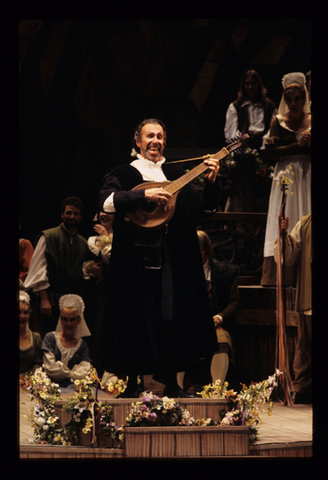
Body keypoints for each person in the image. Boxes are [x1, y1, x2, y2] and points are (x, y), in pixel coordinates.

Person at [98, 118, 220, 397]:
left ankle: (171, 382)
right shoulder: (125, 173)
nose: (156, 141)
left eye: (161, 136)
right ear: (138, 141)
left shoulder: (178, 174)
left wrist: (212, 181)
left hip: (171, 258)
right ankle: (131, 383)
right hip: (135, 260)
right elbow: (106, 201)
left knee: (170, 316)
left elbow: (205, 206)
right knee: (135, 315)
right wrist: (144, 196)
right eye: (149, 136)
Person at [261, 72, 311, 286]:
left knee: (306, 215)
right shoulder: (278, 122)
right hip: (287, 174)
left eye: (297, 99)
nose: (293, 103)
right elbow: (271, 153)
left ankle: (307, 268)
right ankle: (282, 273)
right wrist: (297, 145)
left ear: (304, 98)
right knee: (287, 215)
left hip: (308, 173)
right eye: (288, 99)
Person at [23, 197, 90, 337]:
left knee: (70, 343)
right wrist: (44, 299)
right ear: (62, 214)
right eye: (69, 212)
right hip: (51, 302)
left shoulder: (83, 243)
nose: (72, 216)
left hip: (72, 303)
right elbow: (38, 269)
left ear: (81, 217)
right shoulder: (49, 236)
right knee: (49, 341)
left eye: (76, 214)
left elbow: (80, 272)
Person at [223, 70, 277, 213]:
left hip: (262, 153)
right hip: (242, 154)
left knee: (261, 192)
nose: (250, 87)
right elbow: (230, 134)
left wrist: (262, 147)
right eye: (247, 84)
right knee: (238, 192)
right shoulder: (236, 106)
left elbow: (273, 130)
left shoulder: (269, 106)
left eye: (253, 83)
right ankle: (236, 226)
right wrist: (243, 146)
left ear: (259, 85)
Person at [274, 214, 312, 404]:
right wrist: (283, 235)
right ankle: (302, 388)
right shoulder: (306, 223)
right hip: (311, 294)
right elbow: (288, 257)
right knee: (306, 346)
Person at [83, 211, 114, 374]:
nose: (104, 215)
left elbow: (111, 259)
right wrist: (88, 268)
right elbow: (84, 263)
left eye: (109, 212)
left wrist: (106, 237)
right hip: (95, 293)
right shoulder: (90, 241)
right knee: (96, 330)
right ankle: (96, 372)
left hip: (113, 291)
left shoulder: (119, 238)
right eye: (102, 211)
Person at [41, 294, 92, 390]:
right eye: (65, 319)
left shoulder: (82, 345)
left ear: (78, 320)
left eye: (72, 319)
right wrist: (73, 373)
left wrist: (65, 372)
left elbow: (86, 370)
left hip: (74, 389)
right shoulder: (50, 338)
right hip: (50, 387)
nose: (68, 324)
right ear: (60, 319)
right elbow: (51, 368)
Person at [19, 291, 42, 375]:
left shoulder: (36, 338)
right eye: (18, 312)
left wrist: (28, 378)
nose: (22, 316)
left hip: (29, 382)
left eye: (25, 312)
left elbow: (37, 363)